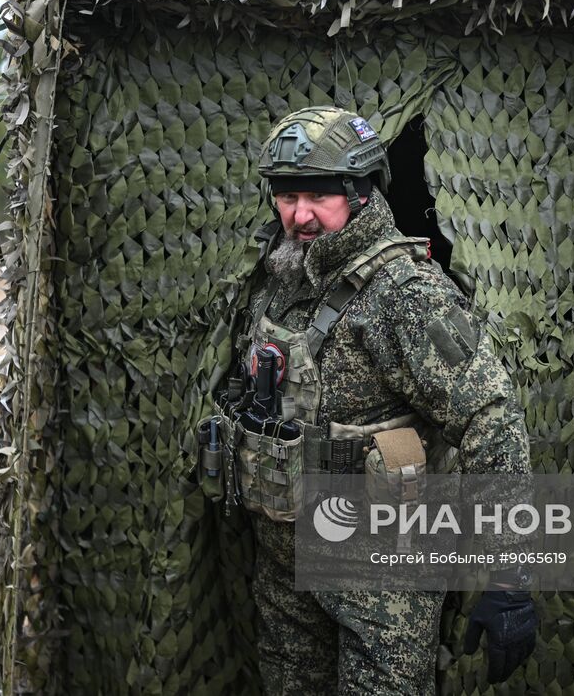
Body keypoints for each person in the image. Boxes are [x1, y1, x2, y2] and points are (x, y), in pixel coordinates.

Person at [210, 105, 539, 694]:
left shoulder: (404, 292)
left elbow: (490, 417)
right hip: (285, 565)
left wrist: (508, 575)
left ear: (361, 192)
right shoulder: (279, 277)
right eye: (286, 197)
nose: (299, 215)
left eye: (318, 197)